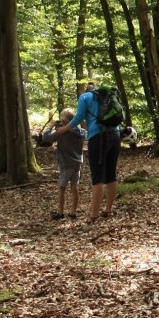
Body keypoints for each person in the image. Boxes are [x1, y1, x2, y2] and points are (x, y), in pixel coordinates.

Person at [54, 85, 121, 223]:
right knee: (111, 174)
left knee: (98, 176)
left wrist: (64, 129)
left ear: (86, 91)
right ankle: (108, 210)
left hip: (98, 137)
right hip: (115, 134)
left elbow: (79, 117)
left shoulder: (85, 97)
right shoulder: (108, 97)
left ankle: (94, 215)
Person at [41, 108, 86, 220]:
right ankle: (72, 212)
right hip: (77, 163)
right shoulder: (81, 132)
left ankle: (60, 213)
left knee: (62, 188)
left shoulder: (62, 132)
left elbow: (46, 138)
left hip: (66, 163)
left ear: (65, 121)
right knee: (74, 188)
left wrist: (50, 126)